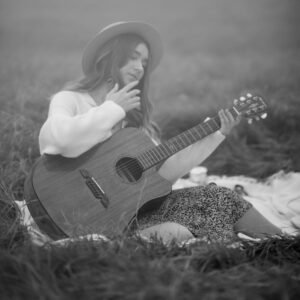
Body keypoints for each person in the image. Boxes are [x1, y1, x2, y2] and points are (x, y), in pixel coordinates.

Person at [38, 21, 282, 244]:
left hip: (131, 214)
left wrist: (216, 132)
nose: (140, 68)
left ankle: (287, 245)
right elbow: (58, 140)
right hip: (96, 218)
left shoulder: (134, 120)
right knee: (179, 232)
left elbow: (163, 177)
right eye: (133, 57)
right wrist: (111, 109)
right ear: (109, 56)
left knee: (220, 197)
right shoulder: (70, 99)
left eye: (144, 62)